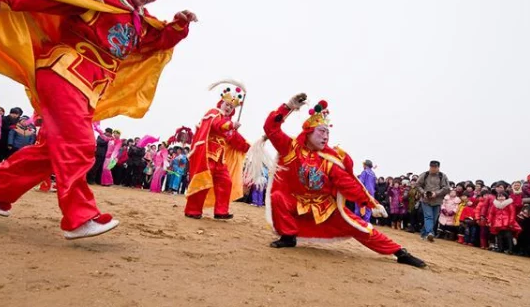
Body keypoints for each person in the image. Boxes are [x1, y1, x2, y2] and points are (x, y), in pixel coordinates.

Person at [0, 0, 197, 239]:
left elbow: (152, 42)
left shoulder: (138, 19)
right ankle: (80, 216)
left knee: (52, 150)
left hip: (88, 87)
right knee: (80, 144)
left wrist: (178, 26)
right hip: (64, 72)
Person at [256, 93, 425, 268]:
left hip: (324, 208)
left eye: (328, 132)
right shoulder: (291, 148)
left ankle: (399, 252)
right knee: (277, 197)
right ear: (308, 132)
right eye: (321, 131)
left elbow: (349, 185)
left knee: (359, 227)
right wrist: (288, 107)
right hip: (295, 202)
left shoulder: (330, 160)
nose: (326, 136)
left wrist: (370, 203)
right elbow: (271, 128)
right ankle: (288, 237)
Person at [184, 82, 250, 219]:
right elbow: (216, 125)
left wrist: (253, 147)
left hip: (220, 159)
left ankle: (221, 211)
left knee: (226, 182)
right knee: (203, 183)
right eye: (227, 105)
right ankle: (193, 210)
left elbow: (237, 140)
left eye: (231, 107)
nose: (228, 108)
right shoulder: (213, 113)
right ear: (221, 104)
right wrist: (231, 125)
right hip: (207, 156)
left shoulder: (228, 126)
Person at [415, 160, 451, 242]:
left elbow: (446, 188)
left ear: (438, 167)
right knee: (428, 217)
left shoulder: (443, 176)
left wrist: (436, 193)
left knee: (434, 219)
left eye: (435, 167)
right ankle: (430, 233)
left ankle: (424, 233)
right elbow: (417, 185)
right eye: (431, 167)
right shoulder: (425, 175)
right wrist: (423, 192)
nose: (433, 168)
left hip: (437, 200)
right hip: (425, 200)